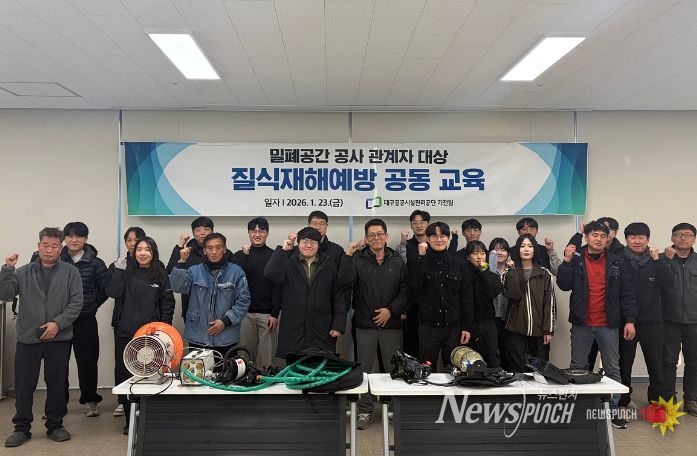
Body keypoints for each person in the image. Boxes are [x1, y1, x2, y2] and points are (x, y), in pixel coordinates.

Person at [1, 227, 83, 447]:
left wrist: (58, 323)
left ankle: (55, 425)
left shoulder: (70, 272)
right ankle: (21, 428)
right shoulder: (22, 272)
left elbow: (76, 303)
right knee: (24, 385)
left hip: (59, 338)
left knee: (56, 383)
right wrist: (8, 268)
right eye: (45, 245)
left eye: (54, 246)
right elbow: (5, 294)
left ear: (60, 248)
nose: (49, 250)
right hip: (28, 338)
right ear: (38, 246)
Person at [557, 221, 637, 429]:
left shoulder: (617, 261)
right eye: (595, 235)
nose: (599, 239)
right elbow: (564, 285)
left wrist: (630, 320)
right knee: (578, 368)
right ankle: (579, 410)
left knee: (612, 369)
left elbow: (628, 293)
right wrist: (566, 261)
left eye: (603, 235)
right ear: (587, 237)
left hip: (608, 324)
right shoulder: (576, 259)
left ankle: (612, 410)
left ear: (608, 238)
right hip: (582, 323)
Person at [338, 219, 407, 430]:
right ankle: (366, 410)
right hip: (365, 324)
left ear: (386, 237)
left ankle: (394, 408)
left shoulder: (397, 260)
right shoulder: (357, 259)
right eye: (371, 235)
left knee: (394, 368)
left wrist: (391, 310)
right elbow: (344, 281)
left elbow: (405, 290)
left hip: (391, 324)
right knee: (365, 369)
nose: (376, 238)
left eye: (379, 234)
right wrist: (348, 255)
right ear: (366, 239)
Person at [105, 236, 175, 434]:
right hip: (126, 334)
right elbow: (112, 291)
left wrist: (163, 330)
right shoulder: (125, 272)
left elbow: (168, 303)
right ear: (133, 253)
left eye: (147, 250)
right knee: (127, 377)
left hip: (152, 337)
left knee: (151, 378)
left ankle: (149, 421)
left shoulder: (160, 274)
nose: (143, 253)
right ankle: (130, 421)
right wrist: (119, 271)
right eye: (139, 249)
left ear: (153, 253)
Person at [264, 227, 346, 359]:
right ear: (298, 243)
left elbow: (338, 297)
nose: (309, 245)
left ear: (318, 245)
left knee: (319, 367)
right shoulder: (288, 262)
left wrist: (338, 325)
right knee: (295, 368)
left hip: (321, 328)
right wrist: (284, 250)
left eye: (313, 242)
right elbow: (270, 274)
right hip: (294, 327)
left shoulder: (329, 266)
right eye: (305, 241)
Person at [170, 233, 250, 360]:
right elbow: (177, 287)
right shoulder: (194, 271)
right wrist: (182, 261)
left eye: (218, 247)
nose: (214, 252)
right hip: (198, 336)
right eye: (210, 248)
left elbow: (243, 301)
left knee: (224, 371)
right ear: (204, 250)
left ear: (224, 249)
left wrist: (225, 321)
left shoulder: (237, 272)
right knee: (197, 372)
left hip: (225, 337)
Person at [619, 222, 672, 408]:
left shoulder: (655, 260)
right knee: (624, 365)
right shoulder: (618, 259)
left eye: (641, 237)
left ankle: (657, 404)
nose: (637, 241)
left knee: (657, 365)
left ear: (648, 239)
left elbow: (668, 284)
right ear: (626, 240)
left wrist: (658, 260)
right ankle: (623, 401)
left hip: (652, 322)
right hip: (626, 322)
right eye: (632, 237)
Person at [59, 222, 108, 418]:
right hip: (59, 321)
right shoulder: (57, 259)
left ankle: (90, 400)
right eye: (70, 236)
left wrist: (91, 305)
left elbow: (105, 289)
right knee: (58, 363)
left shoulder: (96, 263)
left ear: (86, 239)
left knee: (87, 362)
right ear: (64, 238)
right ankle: (58, 403)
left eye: (79, 236)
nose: (74, 240)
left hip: (85, 318)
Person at [409, 222, 473, 371]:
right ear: (428, 238)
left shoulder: (459, 264)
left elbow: (467, 298)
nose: (439, 239)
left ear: (449, 238)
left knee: (454, 370)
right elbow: (413, 291)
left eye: (443, 236)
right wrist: (421, 258)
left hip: (454, 328)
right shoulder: (419, 261)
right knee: (425, 370)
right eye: (434, 236)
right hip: (428, 328)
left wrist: (467, 327)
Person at [106, 226, 145, 418]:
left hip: (146, 324)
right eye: (129, 240)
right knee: (123, 363)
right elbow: (112, 292)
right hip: (122, 322)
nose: (132, 243)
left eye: (136, 240)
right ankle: (123, 401)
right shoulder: (117, 265)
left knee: (145, 363)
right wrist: (120, 270)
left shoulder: (154, 265)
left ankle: (144, 401)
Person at [502, 235, 556, 372]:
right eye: (522, 246)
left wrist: (548, 330)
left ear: (535, 250)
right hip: (515, 330)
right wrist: (513, 271)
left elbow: (549, 303)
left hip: (539, 332)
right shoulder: (508, 272)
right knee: (517, 371)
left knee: (538, 373)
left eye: (530, 246)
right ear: (517, 250)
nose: (526, 249)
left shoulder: (544, 273)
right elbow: (513, 295)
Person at [233, 217, 280, 367]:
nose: (257, 234)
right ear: (249, 233)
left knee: (267, 358)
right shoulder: (239, 256)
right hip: (244, 313)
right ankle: (243, 379)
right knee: (243, 356)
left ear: (267, 233)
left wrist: (275, 313)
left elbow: (278, 286)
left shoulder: (274, 256)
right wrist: (245, 256)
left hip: (267, 314)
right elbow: (235, 281)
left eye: (261, 231)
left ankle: (265, 379)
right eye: (253, 231)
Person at [661, 222, 697, 416]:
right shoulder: (661, 259)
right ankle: (668, 399)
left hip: (695, 321)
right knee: (668, 361)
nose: (683, 238)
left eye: (688, 234)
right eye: (679, 234)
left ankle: (692, 399)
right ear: (672, 238)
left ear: (694, 239)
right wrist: (667, 260)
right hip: (668, 320)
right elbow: (656, 284)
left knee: (694, 361)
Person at [166, 216, 233, 318]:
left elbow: (233, 278)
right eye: (198, 230)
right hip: (192, 309)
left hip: (220, 308)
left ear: (212, 231)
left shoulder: (225, 253)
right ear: (193, 233)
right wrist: (180, 245)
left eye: (206, 229)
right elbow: (171, 273)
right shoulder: (186, 252)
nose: (202, 233)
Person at [464, 240, 503, 368]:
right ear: (468, 257)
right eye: (475, 253)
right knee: (469, 361)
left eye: (482, 253)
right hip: (468, 324)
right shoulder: (463, 274)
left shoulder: (492, 275)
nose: (479, 257)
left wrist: (484, 271)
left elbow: (493, 292)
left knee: (492, 358)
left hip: (487, 323)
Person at [489, 238, 512, 370]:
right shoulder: (486, 271)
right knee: (492, 353)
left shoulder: (512, 271)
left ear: (508, 253)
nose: (499, 253)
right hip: (491, 319)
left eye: (503, 250)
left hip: (508, 319)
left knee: (508, 353)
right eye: (495, 250)